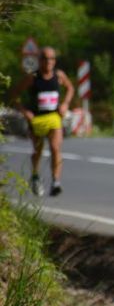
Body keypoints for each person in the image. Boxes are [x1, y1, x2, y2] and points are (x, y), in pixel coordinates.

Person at [9, 46, 75, 197]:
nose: (49, 62)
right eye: (45, 58)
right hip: (37, 119)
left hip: (54, 118)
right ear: (40, 60)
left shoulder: (59, 75)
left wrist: (65, 104)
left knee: (55, 148)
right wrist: (24, 111)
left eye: (51, 59)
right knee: (38, 151)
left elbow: (70, 88)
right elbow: (15, 94)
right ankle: (35, 176)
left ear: (55, 61)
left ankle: (56, 181)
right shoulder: (32, 77)